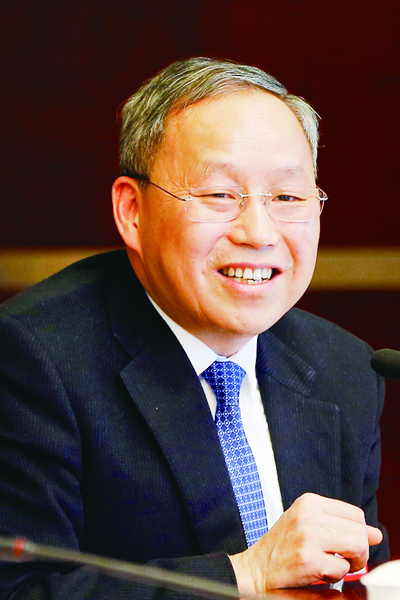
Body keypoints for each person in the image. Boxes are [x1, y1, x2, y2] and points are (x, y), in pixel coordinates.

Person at [0, 57, 389, 599]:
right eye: (220, 195)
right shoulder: (33, 358)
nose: (259, 232)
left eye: (287, 197)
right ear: (133, 211)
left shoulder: (344, 367)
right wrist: (246, 575)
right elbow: (20, 590)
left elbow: (356, 576)